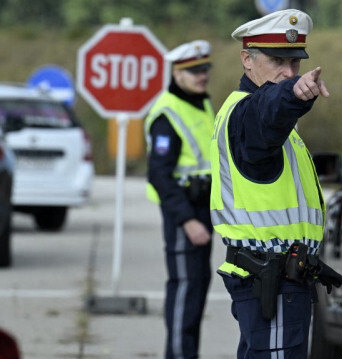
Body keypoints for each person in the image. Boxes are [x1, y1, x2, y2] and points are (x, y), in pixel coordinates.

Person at [209, 9, 339, 358]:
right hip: (272, 281)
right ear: (246, 59)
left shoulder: (263, 118)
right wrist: (293, 96)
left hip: (278, 280)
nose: (288, 71)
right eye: (277, 60)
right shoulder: (248, 114)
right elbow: (269, 111)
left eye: (294, 63)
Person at [144, 39, 215, 359]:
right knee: (186, 289)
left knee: (197, 289)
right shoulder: (167, 113)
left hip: (203, 208)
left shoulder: (200, 103)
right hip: (183, 212)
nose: (202, 76)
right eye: (194, 71)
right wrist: (187, 220)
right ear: (177, 73)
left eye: (205, 69)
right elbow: (159, 175)